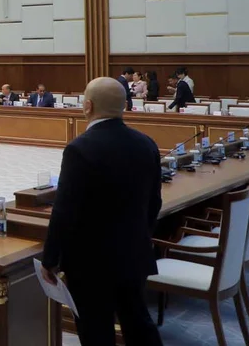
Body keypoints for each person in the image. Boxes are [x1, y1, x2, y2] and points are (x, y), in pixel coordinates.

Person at [41, 77, 163, 346]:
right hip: (134, 253)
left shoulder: (79, 149)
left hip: (90, 264)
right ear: (124, 106)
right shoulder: (147, 143)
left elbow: (64, 211)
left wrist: (50, 258)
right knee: (138, 323)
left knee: (96, 331)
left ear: (87, 106)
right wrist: (140, 237)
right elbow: (154, 203)